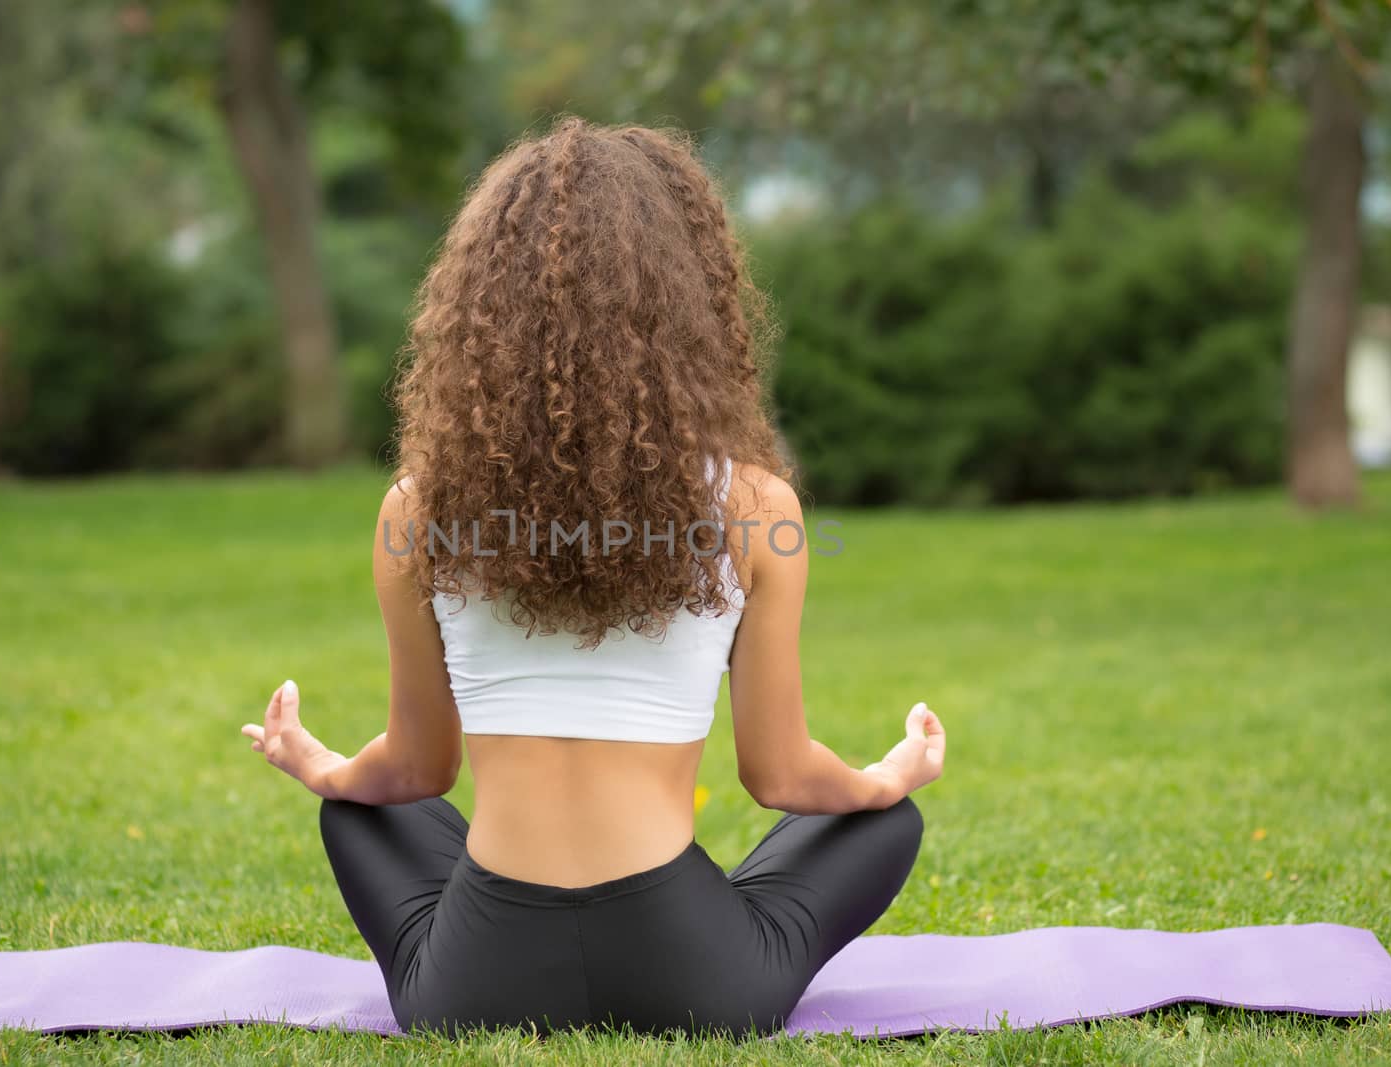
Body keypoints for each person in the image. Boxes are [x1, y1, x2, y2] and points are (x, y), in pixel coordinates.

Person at [239, 116, 947, 1039]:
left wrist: (321, 765)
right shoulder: (756, 509)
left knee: (359, 811)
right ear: (691, 302)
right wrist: (884, 779)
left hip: (472, 987)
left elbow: (416, 769)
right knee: (883, 824)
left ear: (478, 314)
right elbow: (780, 775)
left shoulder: (416, 513)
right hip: (696, 979)